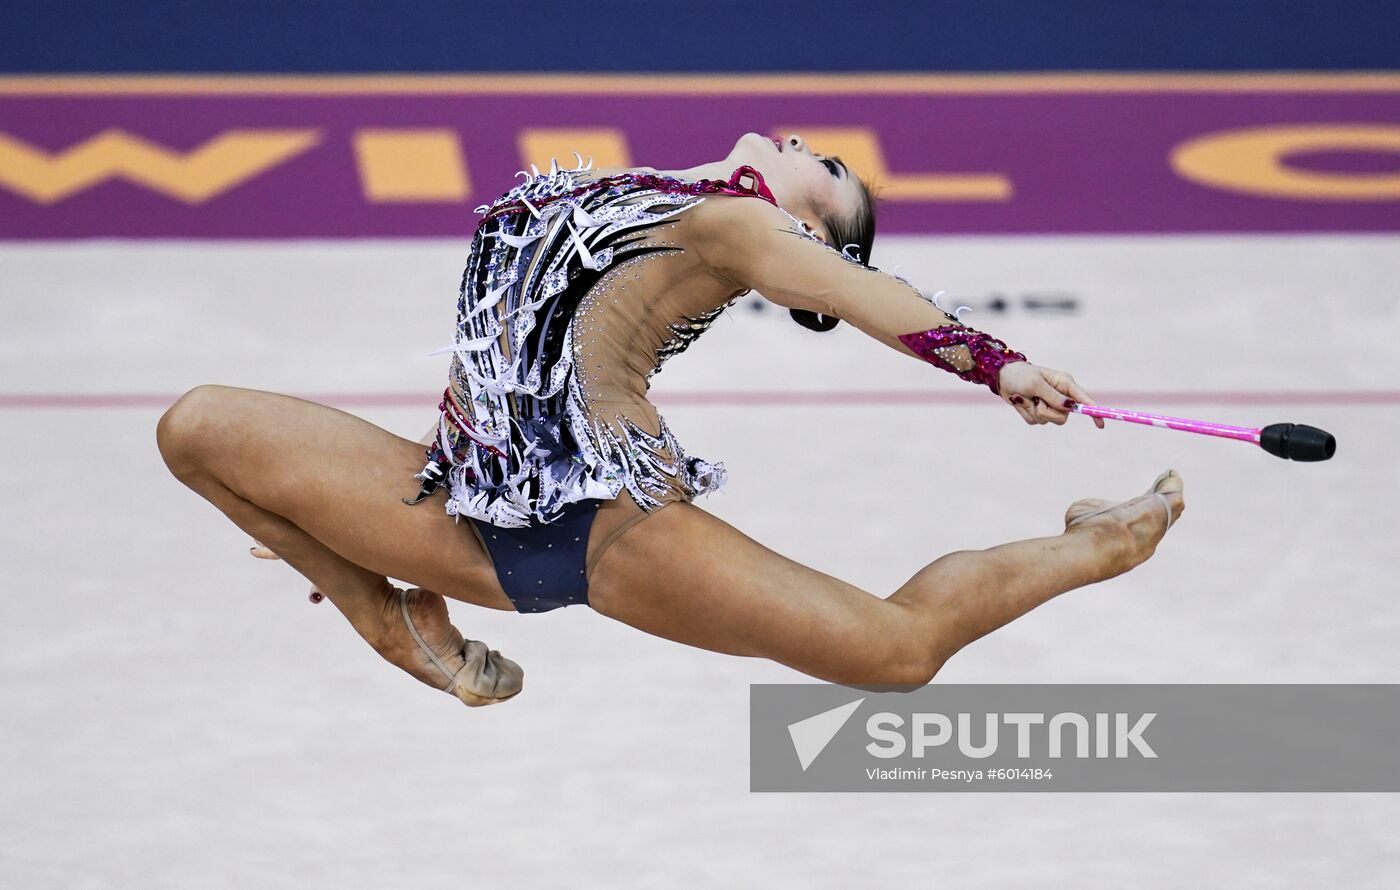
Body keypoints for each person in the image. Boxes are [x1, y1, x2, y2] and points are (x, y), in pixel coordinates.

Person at [157, 133, 1183, 708]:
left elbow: (860, 295)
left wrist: (994, 364)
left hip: (608, 523)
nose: (804, 143)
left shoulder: (738, 227)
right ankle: (388, 618)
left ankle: (1102, 542)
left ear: (811, 224)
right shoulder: (655, 197)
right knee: (196, 429)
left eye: (827, 170)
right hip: (460, 514)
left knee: (895, 650)